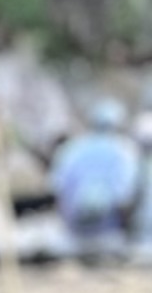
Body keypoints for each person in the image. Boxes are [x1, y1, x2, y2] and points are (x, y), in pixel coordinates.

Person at [50, 94, 145, 256]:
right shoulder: (125, 150)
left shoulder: (71, 149)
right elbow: (127, 196)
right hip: (110, 236)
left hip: (72, 235)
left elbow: (57, 189)